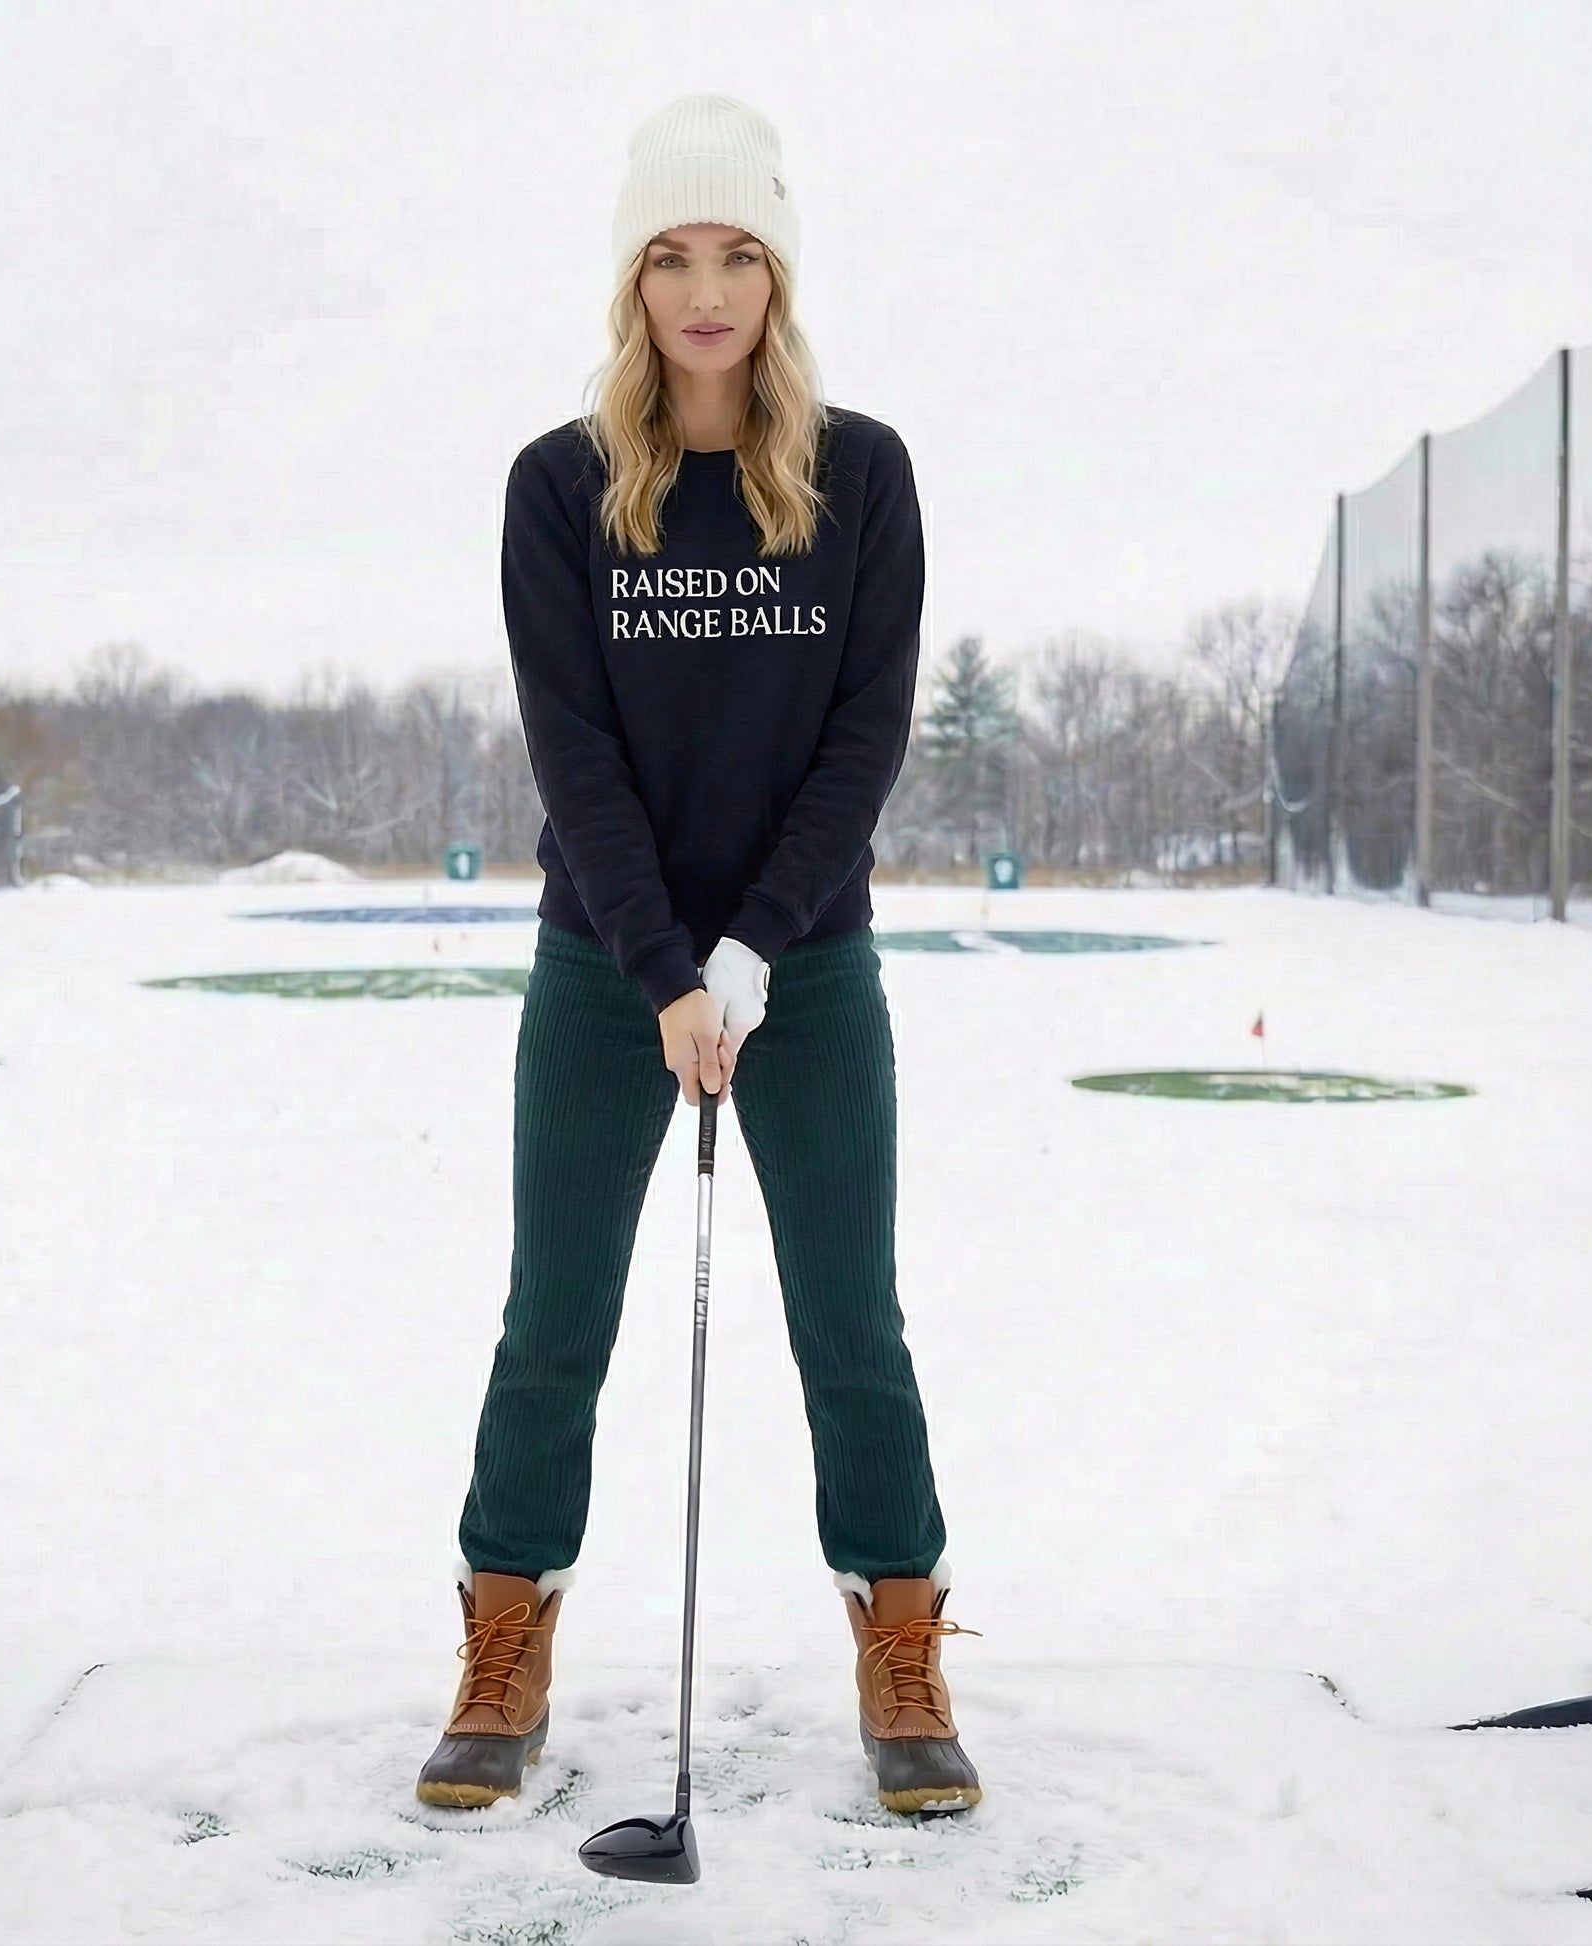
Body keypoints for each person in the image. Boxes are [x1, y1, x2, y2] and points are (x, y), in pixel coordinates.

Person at [415, 92, 980, 1819]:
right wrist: (667, 969)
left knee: (851, 1321)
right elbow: (571, 753)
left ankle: (901, 1646)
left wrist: (754, 946)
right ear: (631, 281)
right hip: (606, 968)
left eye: (738, 253)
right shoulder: (560, 488)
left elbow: (862, 741)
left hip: (810, 967)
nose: (708, 290)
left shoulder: (863, 477)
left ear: (778, 273)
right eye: (672, 256)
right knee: (553, 1319)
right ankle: (503, 1643)